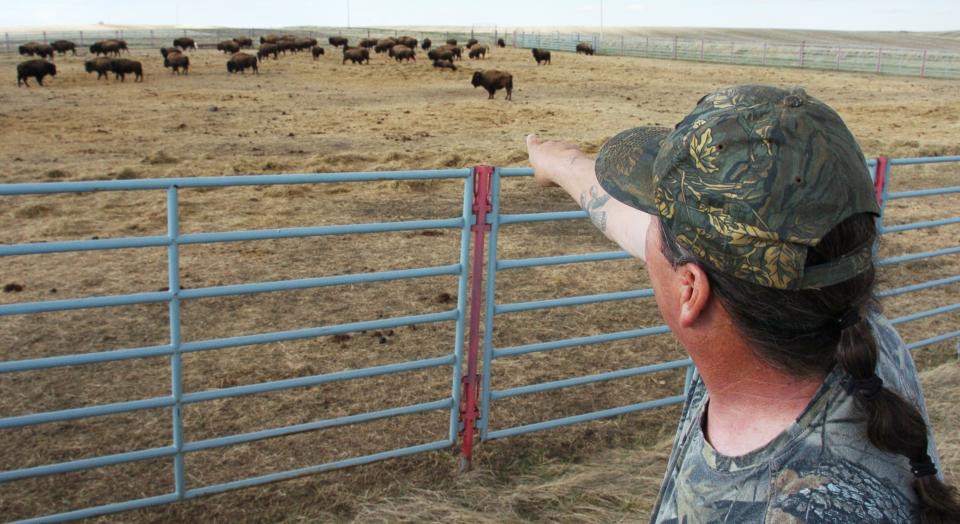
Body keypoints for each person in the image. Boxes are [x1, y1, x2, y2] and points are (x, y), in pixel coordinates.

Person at [526, 85, 960, 523]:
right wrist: (561, 163)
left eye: (658, 220)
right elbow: (634, 225)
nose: (647, 233)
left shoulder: (790, 511)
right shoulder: (853, 328)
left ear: (691, 291)